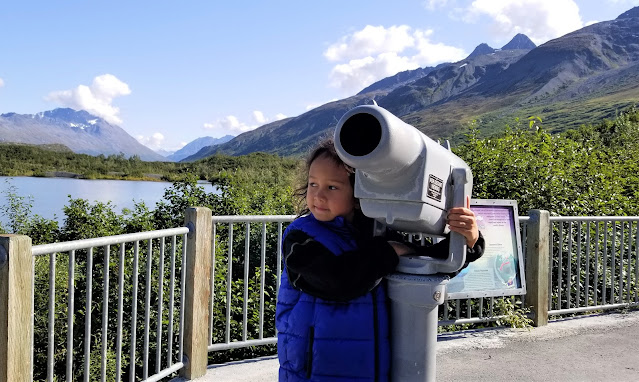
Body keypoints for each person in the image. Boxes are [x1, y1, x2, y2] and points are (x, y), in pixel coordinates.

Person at [275, 138, 484, 382]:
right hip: (314, 372)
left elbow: (424, 263)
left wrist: (469, 241)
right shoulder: (301, 237)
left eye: (332, 187)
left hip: (369, 371)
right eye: (312, 184)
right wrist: (388, 253)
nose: (318, 196)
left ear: (358, 193)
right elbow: (337, 281)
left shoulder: (376, 234)